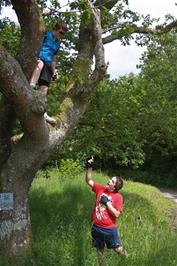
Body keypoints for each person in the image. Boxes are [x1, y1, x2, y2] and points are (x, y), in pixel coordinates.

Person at [85, 157, 128, 265]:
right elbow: (88, 180)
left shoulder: (118, 197)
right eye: (110, 179)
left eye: (112, 181)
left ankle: (128, 258)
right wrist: (90, 167)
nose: (109, 181)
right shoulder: (100, 189)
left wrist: (107, 203)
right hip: (96, 227)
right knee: (99, 251)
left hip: (109, 230)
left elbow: (117, 214)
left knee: (117, 249)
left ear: (115, 186)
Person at [30, 21, 68, 125]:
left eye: (63, 34)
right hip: (39, 59)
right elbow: (36, 44)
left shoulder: (58, 44)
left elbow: (54, 59)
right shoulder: (46, 35)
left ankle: (43, 113)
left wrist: (54, 71)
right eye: (61, 32)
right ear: (56, 29)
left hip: (48, 63)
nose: (62, 35)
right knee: (40, 64)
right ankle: (31, 86)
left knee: (45, 88)